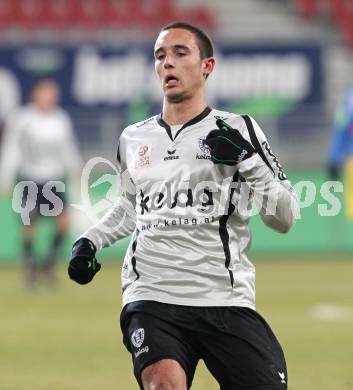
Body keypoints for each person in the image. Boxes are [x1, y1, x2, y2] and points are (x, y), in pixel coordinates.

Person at [68, 22, 299, 390]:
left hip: (225, 296)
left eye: (180, 53)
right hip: (152, 295)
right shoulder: (134, 137)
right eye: (160, 56)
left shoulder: (239, 129)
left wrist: (248, 161)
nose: (168, 63)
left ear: (207, 66)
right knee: (163, 385)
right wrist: (91, 241)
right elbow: (130, 207)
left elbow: (285, 217)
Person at [0, 78, 82, 288]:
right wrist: (6, 177)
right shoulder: (22, 119)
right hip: (29, 178)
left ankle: (47, 264)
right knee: (29, 225)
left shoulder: (60, 119)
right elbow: (12, 149)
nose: (50, 97)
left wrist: (76, 170)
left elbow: (68, 148)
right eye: (46, 92)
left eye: (53, 93)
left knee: (64, 223)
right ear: (36, 94)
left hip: (54, 180)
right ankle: (30, 269)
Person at [327, 85, 353, 220]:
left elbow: (340, 128)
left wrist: (334, 158)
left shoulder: (349, 98)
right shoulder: (349, 98)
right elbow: (341, 129)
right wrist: (334, 158)